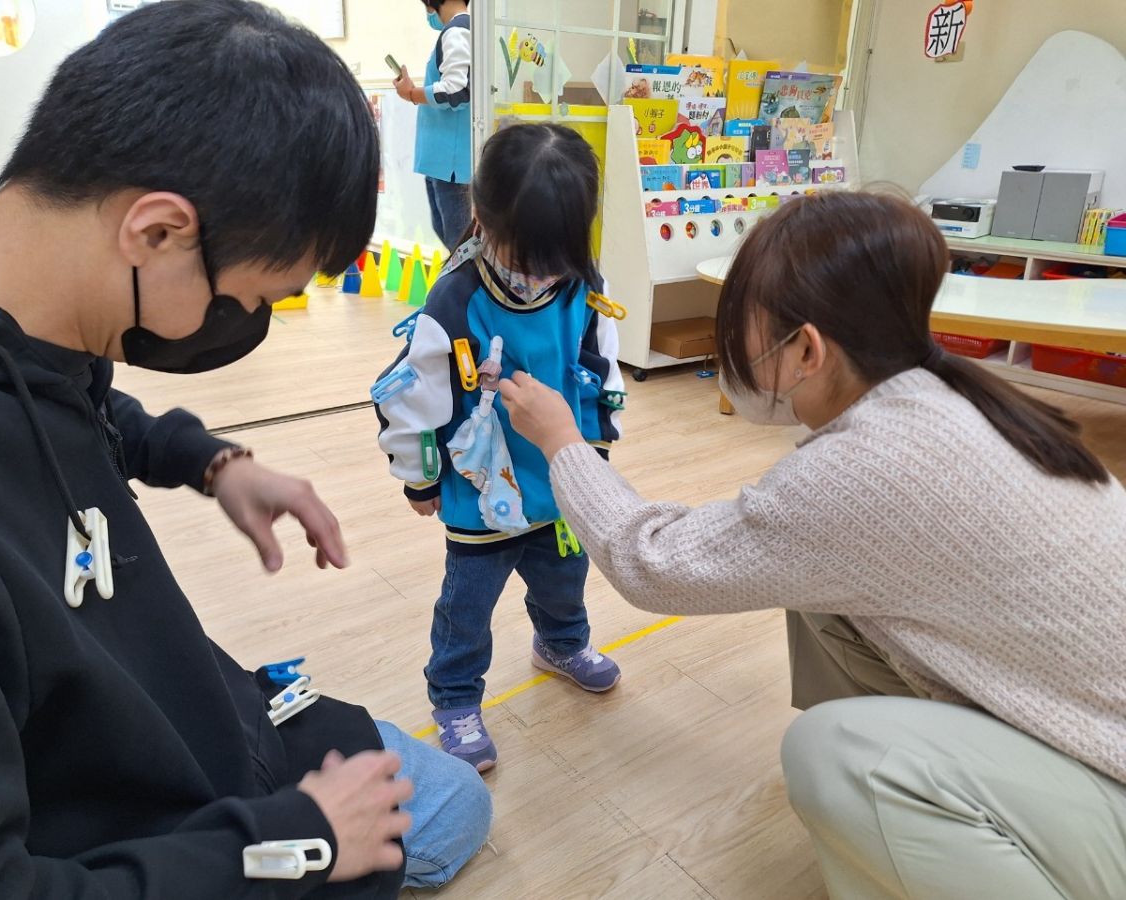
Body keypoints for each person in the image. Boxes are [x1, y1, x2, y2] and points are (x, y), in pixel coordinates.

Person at [0, 2, 490, 897]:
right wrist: (297, 841)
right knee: (451, 810)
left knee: (453, 799)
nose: (246, 325)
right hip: (157, 826)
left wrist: (208, 461)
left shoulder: (3, 308)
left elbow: (69, 405)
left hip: (189, 713)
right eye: (252, 298)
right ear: (157, 231)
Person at [498, 190, 1126, 898]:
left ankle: (907, 809)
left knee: (834, 755)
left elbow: (653, 564)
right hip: (1074, 714)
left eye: (744, 329)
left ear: (806, 349)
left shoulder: (870, 469)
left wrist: (562, 441)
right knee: (813, 591)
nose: (734, 351)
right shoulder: (946, 394)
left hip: (1103, 769)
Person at [375, 124, 625, 772]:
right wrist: (418, 477)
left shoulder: (582, 285)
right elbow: (408, 398)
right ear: (481, 219)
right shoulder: (455, 300)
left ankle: (561, 643)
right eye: (530, 253)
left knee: (565, 579)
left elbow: (599, 369)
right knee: (467, 607)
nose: (543, 271)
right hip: (481, 492)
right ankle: (455, 696)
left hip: (561, 478)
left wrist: (593, 455)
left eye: (558, 253)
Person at [393, 0, 472, 251]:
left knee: (459, 245)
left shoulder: (457, 31)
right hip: (442, 162)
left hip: (451, 164)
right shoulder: (457, 30)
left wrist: (412, 94)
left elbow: (456, 91)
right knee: (451, 238)